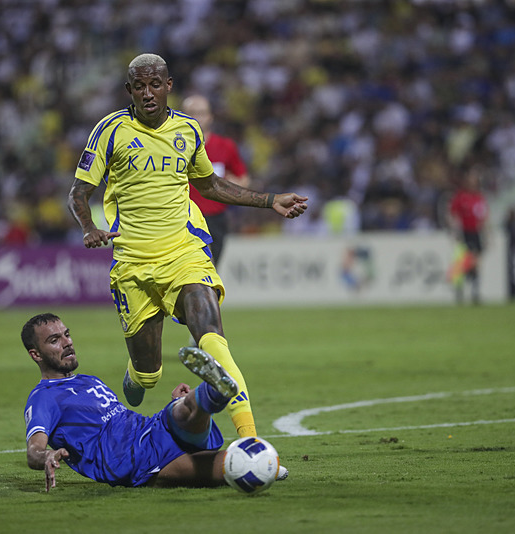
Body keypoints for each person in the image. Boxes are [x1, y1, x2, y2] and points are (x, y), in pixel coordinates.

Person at [68, 53, 307, 441]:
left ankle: (249, 440)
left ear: (169, 86)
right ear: (129, 90)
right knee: (147, 375)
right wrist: (88, 226)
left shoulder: (188, 130)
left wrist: (269, 200)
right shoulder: (110, 131)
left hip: (184, 252)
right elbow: (79, 193)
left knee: (211, 333)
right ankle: (137, 373)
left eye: (155, 85)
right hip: (133, 264)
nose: (148, 93)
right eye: (140, 86)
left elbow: (210, 185)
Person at [22, 312, 241, 489]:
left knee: (182, 408)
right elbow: (34, 450)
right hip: (133, 462)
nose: (67, 343)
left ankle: (212, 392)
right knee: (238, 465)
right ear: (36, 355)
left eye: (66, 335)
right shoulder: (43, 398)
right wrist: (46, 455)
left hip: (151, 429)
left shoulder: (88, 380)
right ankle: (211, 393)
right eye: (54, 340)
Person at [181, 94, 250, 264]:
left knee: (212, 269)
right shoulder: (173, 146)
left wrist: (224, 180)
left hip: (216, 218)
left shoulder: (226, 146)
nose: (197, 118)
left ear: (210, 116)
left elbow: (244, 180)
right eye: (192, 113)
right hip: (183, 218)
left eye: (201, 113)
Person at [448, 166, 487, 305]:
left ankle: (475, 293)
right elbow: (453, 215)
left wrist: (487, 235)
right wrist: (455, 231)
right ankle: (460, 291)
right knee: (463, 262)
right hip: (464, 232)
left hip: (476, 232)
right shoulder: (460, 197)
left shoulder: (479, 197)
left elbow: (484, 218)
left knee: (475, 263)